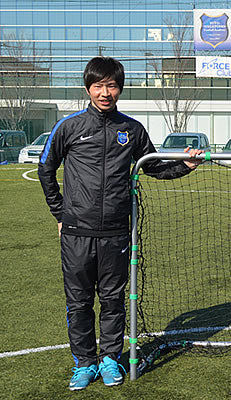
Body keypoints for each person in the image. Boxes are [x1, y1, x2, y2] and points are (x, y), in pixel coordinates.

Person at [38, 57, 204, 391]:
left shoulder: (131, 129)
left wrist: (184, 165)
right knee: (79, 301)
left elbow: (154, 167)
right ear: (88, 88)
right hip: (76, 234)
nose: (105, 92)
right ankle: (84, 364)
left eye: (111, 85)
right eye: (98, 85)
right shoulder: (69, 127)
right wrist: (61, 214)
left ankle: (110, 359)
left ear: (120, 89)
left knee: (113, 301)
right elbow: (46, 169)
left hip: (116, 233)